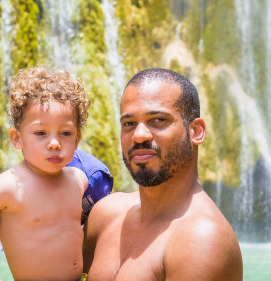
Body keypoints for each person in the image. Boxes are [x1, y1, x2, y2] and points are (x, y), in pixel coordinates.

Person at [83, 68, 243, 280]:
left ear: (196, 131)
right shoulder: (106, 215)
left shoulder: (200, 239)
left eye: (158, 120)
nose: (139, 135)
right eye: (129, 124)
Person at [0, 66, 92, 281]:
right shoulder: (8, 187)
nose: (55, 143)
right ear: (17, 138)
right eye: (41, 133)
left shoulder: (79, 179)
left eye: (66, 133)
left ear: (77, 139)